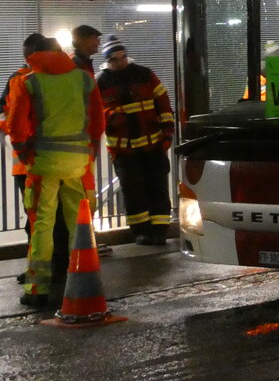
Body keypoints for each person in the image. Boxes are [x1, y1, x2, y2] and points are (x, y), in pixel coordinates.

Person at [6, 37, 105, 308]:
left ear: (31, 54)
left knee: (42, 225)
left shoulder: (29, 82)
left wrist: (25, 152)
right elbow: (98, 121)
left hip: (43, 164)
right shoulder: (84, 79)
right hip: (79, 164)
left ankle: (37, 288)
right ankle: (81, 280)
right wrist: (88, 150)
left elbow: (16, 126)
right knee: (79, 225)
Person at [1, 33, 69, 286]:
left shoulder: (23, 80)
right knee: (51, 219)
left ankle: (45, 270)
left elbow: (12, 120)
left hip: (32, 162)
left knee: (42, 220)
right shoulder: (69, 78)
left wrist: (22, 148)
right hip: (55, 161)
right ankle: (54, 267)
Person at [95, 35, 174, 245]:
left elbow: (163, 104)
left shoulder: (145, 74)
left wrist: (167, 134)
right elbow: (95, 112)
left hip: (153, 145)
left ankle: (160, 231)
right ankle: (141, 231)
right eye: (114, 58)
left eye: (122, 56)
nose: (119, 61)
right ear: (108, 60)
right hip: (125, 152)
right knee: (133, 191)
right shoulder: (100, 81)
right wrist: (113, 118)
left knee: (158, 189)